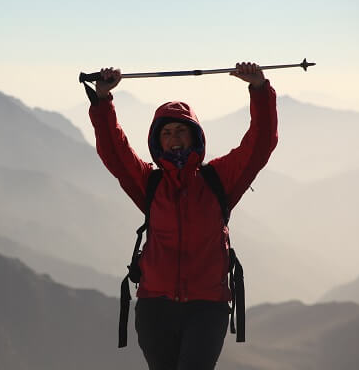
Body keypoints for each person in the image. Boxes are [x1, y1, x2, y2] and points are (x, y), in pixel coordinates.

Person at [88, 62, 278, 370]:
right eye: (166, 133)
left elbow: (260, 144)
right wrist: (103, 100)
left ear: (195, 138)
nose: (174, 138)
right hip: (155, 308)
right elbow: (114, 153)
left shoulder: (218, 180)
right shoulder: (150, 184)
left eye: (181, 131)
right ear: (157, 141)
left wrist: (259, 89)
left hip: (207, 308)